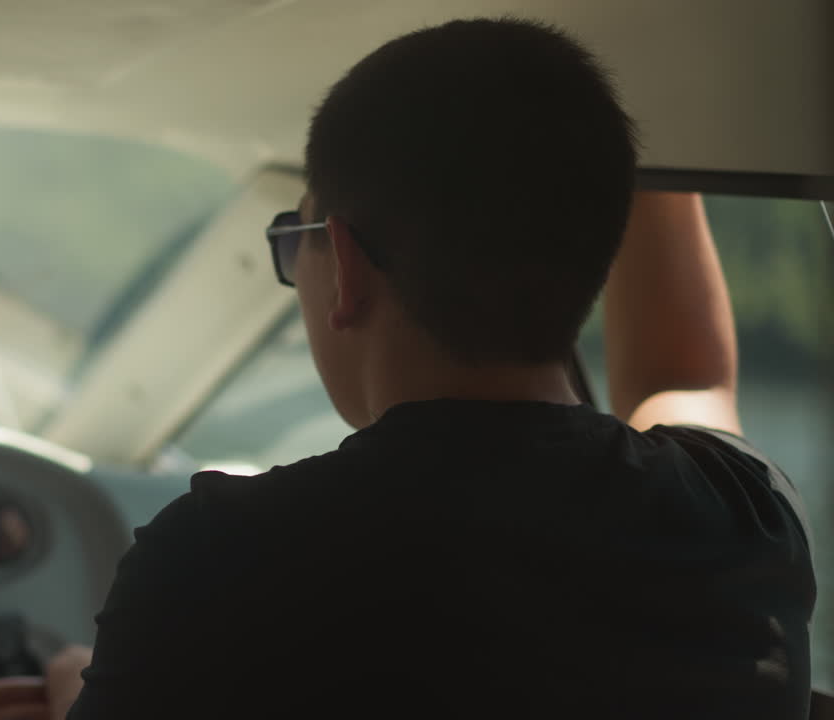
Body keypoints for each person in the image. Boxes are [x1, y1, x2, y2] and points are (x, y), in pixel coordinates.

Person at [46, 17, 816, 718]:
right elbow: (687, 386)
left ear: (345, 266)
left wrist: (68, 688)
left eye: (295, 238)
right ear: (594, 254)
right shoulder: (744, 518)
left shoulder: (218, 560)